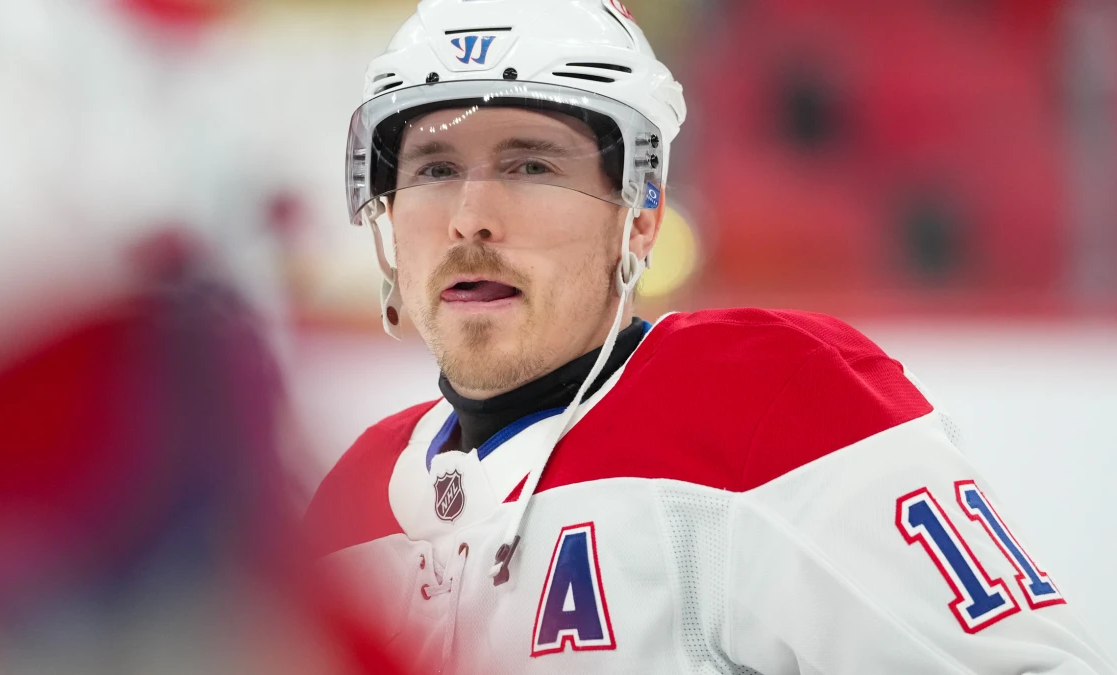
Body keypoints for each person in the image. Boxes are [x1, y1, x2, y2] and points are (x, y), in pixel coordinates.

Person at [305, 1, 1115, 673]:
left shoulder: (770, 410)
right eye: (434, 169)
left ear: (641, 215)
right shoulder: (345, 502)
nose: (468, 218)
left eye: (531, 167)